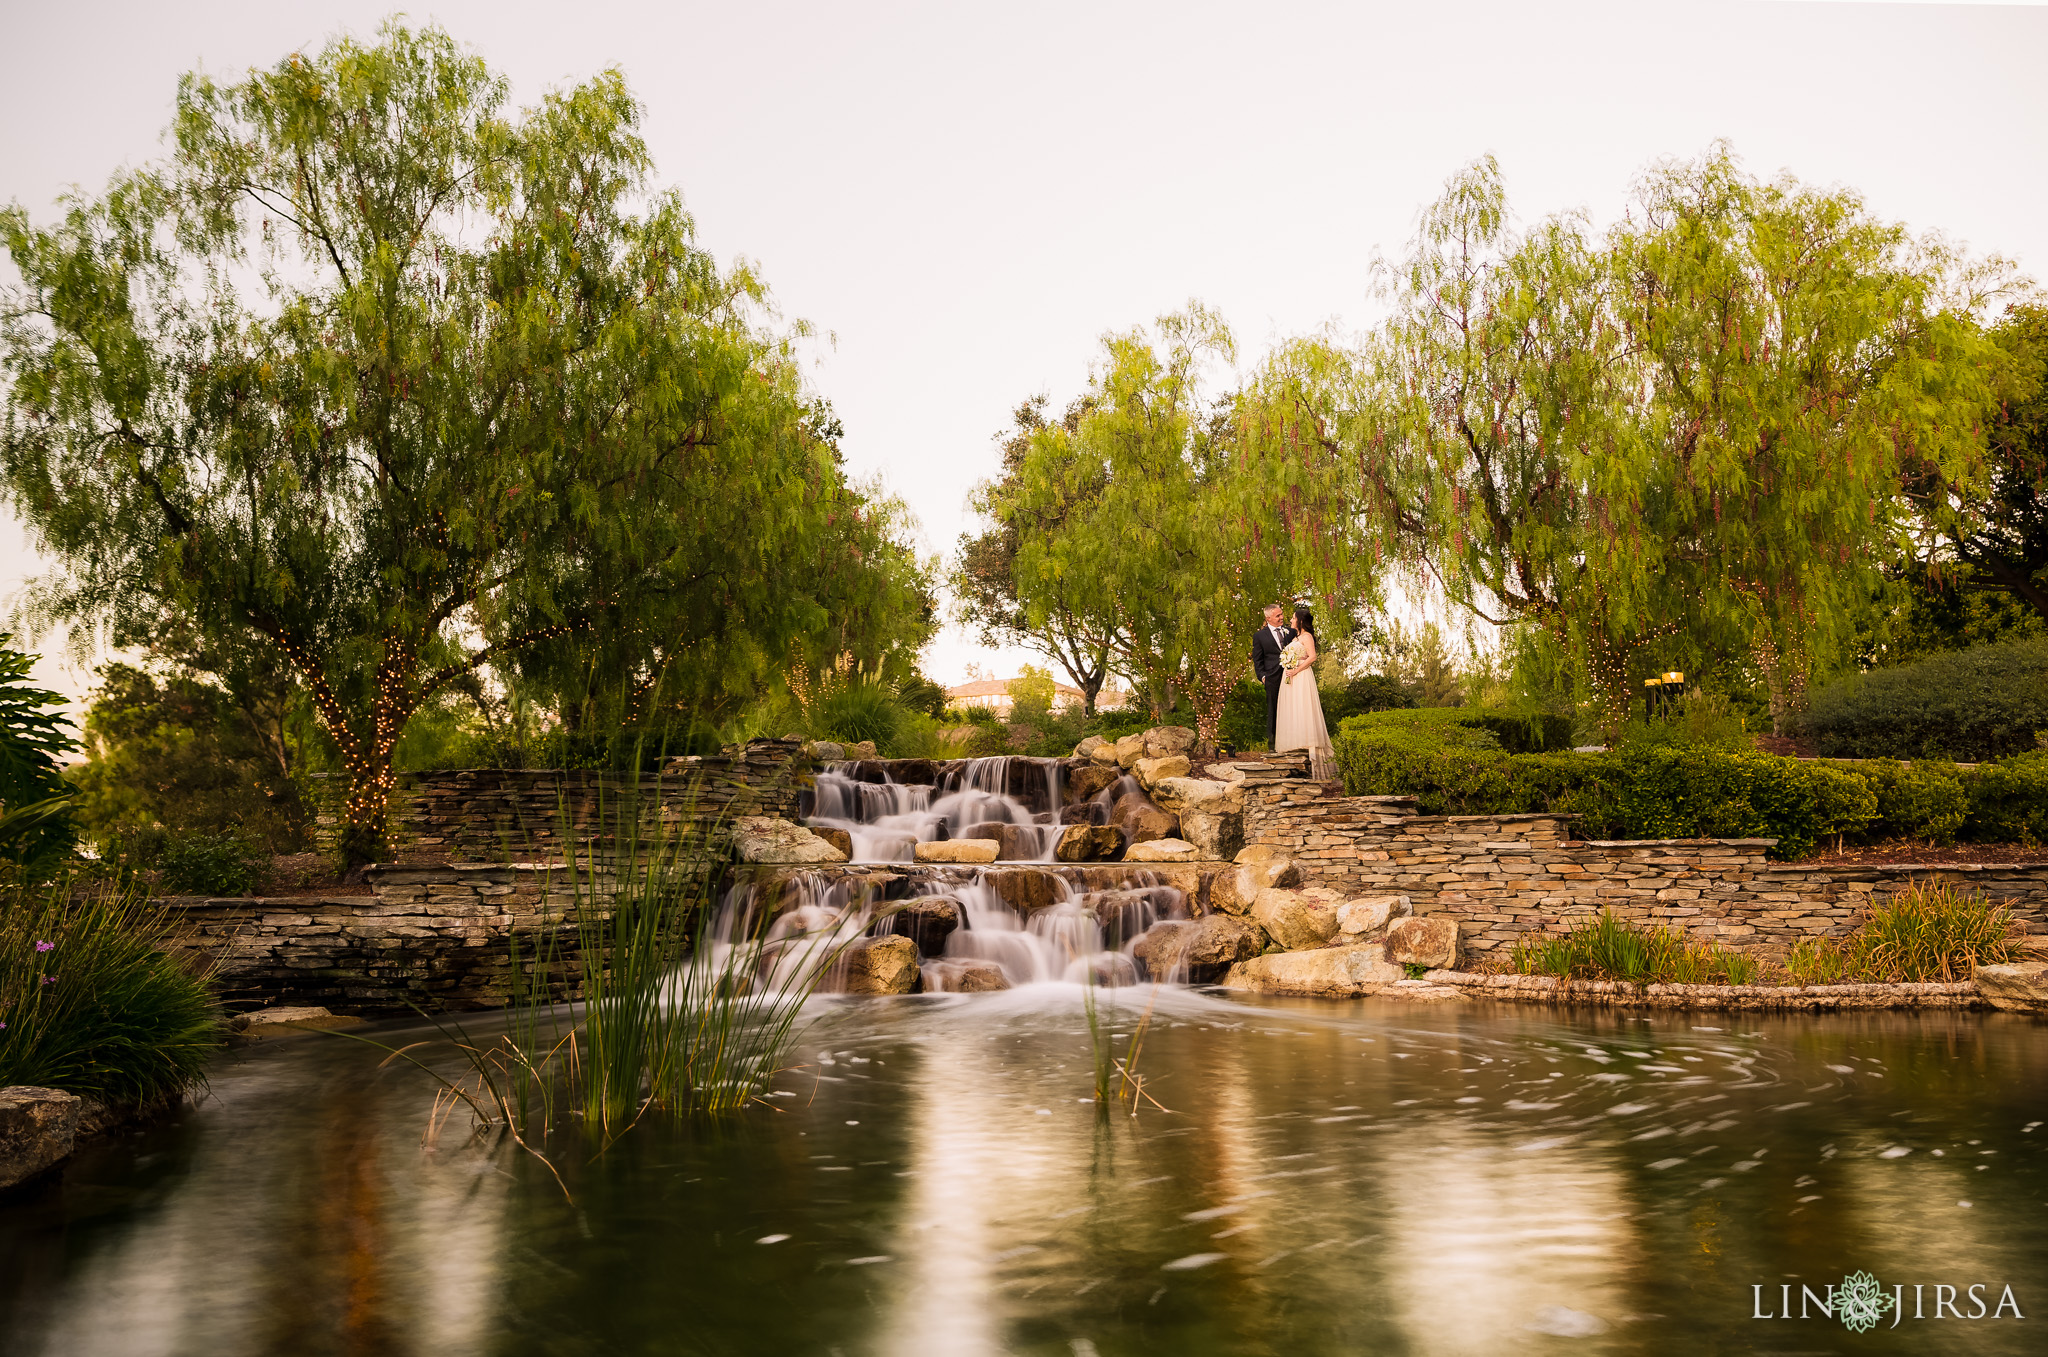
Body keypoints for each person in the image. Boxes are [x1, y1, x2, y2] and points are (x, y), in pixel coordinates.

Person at [1275, 603, 1335, 780]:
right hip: (1291, 677)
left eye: (1293, 617)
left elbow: (1312, 656)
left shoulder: (1307, 636)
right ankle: (1294, 749)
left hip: (1301, 676)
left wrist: (1296, 669)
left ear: (1300, 621)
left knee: (1303, 708)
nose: (1291, 620)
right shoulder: (1295, 638)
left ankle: (1311, 755)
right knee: (1292, 711)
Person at [1250, 602, 1295, 750]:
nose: (1282, 617)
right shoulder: (1259, 636)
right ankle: (1273, 745)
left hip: (1292, 676)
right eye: (1278, 616)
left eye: (1281, 614)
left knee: (1292, 709)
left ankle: (1292, 742)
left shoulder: (1291, 632)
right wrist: (1262, 677)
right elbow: (1257, 659)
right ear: (1268, 618)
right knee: (1273, 710)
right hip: (1272, 679)